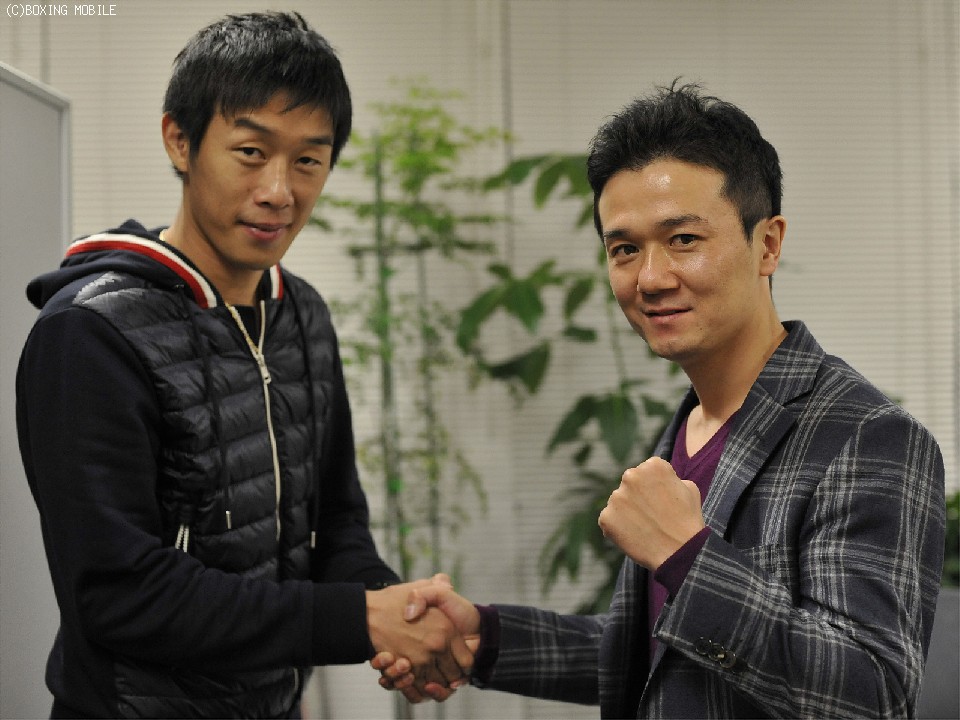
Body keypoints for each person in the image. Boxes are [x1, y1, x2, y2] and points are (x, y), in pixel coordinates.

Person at [375, 81, 947, 718]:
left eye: (684, 240)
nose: (650, 278)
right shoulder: (688, 426)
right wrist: (486, 640)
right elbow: (665, 661)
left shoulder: (868, 435)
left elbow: (872, 694)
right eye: (625, 249)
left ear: (768, 244)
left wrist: (688, 558)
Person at [15, 12, 472, 719]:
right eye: (251, 152)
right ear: (180, 139)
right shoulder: (90, 333)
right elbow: (119, 595)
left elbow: (337, 524)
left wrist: (397, 615)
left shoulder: (302, 314)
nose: (279, 191)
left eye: (309, 161)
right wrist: (360, 619)